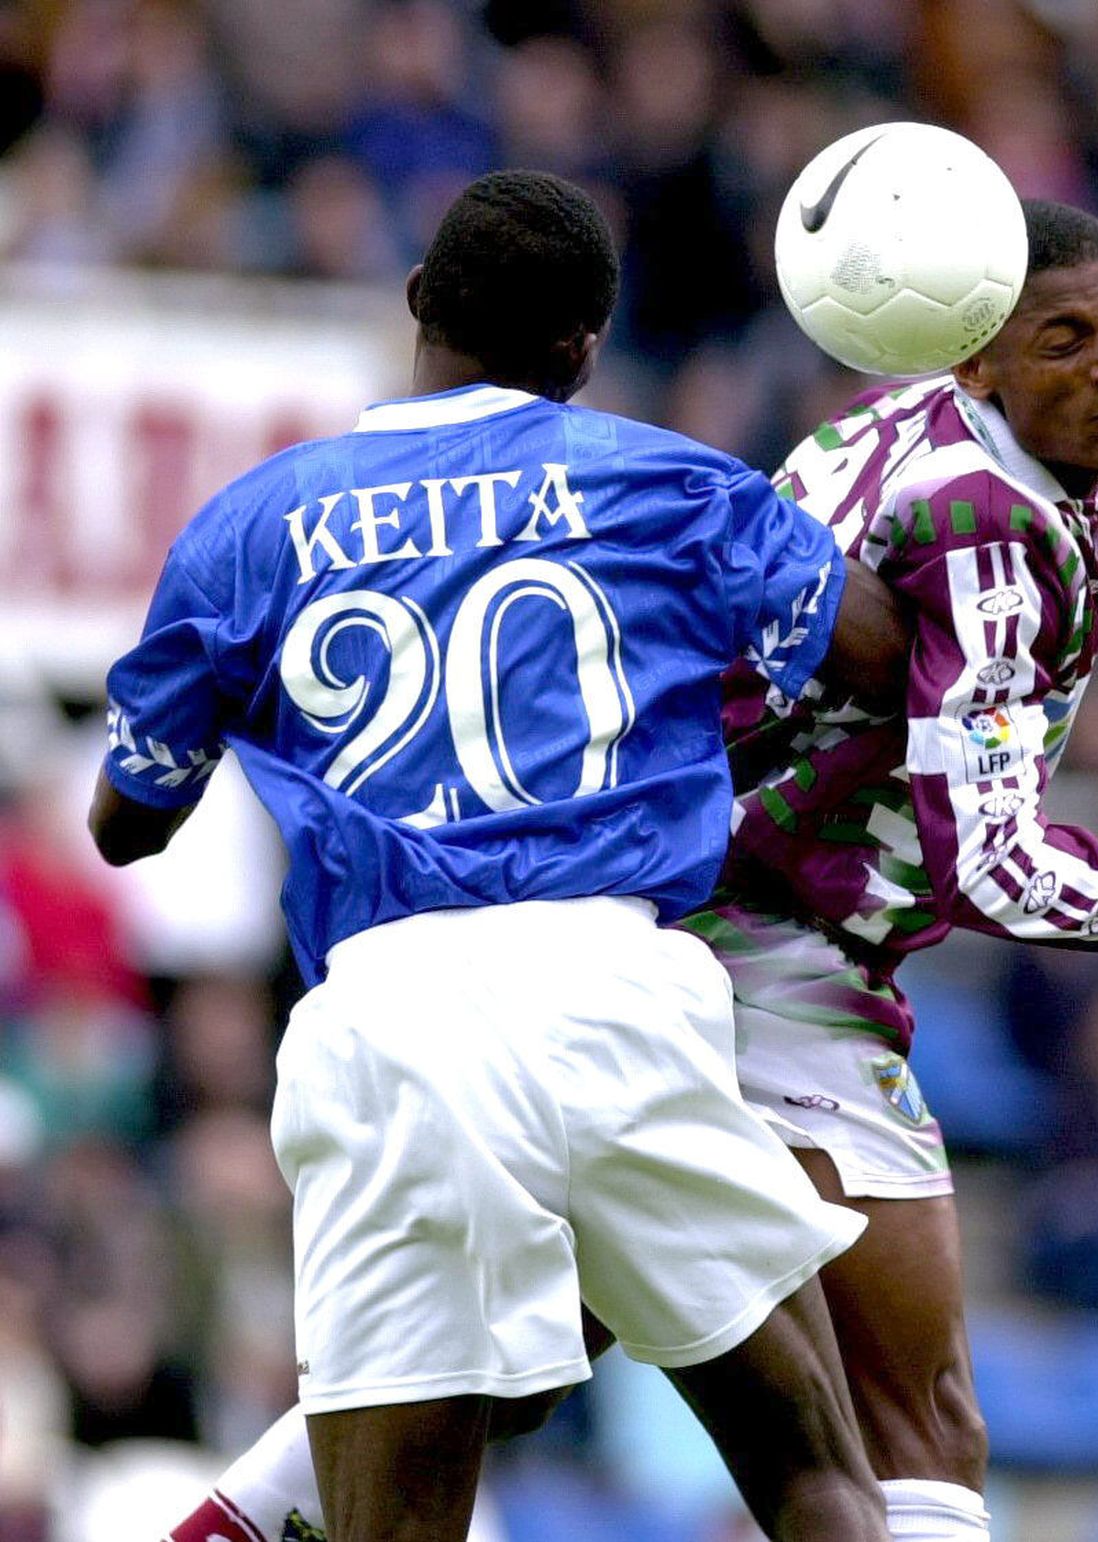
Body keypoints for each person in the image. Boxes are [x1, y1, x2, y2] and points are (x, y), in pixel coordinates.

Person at [157, 199, 1098, 1542]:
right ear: (980, 362)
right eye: (1067, 338)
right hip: (771, 949)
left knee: (503, 1374)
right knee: (914, 1419)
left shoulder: (893, 428)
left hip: (685, 932)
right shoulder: (986, 522)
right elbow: (1000, 867)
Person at [94, 169, 903, 1542]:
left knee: (393, 1516)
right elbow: (877, 646)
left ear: (418, 303)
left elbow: (129, 822)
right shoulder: (667, 481)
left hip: (392, 1010)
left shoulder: (249, 524)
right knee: (811, 1463)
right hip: (617, 983)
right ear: (585, 349)